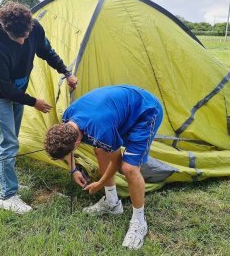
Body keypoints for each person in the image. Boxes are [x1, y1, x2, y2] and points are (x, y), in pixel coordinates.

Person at [0, 2, 77, 214]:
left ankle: (6, 180)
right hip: (0, 96)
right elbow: (5, 89)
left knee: (11, 138)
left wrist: (66, 73)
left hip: (18, 93)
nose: (23, 42)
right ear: (6, 29)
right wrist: (34, 102)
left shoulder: (34, 27)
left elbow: (47, 51)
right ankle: (7, 195)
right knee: (9, 142)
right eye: (18, 38)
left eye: (26, 35)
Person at [44, 85, 163, 250]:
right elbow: (69, 147)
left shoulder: (101, 129)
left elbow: (116, 162)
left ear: (77, 143)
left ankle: (139, 222)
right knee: (99, 149)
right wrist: (73, 169)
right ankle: (112, 203)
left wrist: (99, 183)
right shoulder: (67, 119)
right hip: (121, 108)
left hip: (146, 111)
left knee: (129, 168)